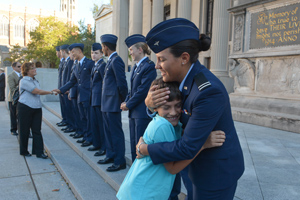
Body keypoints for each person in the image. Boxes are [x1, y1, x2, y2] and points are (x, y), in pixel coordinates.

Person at [137, 18, 245, 199]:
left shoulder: (207, 91)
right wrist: (150, 105)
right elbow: (172, 119)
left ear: (184, 58)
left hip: (214, 174)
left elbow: (187, 147)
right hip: (192, 166)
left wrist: (145, 149)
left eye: (161, 59)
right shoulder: (179, 79)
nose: (156, 65)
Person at [117, 78, 225, 200]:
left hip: (142, 190)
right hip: (143, 193)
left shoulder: (172, 124)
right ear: (155, 107)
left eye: (178, 106)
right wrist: (202, 144)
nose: (173, 112)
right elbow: (172, 168)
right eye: (166, 107)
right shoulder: (163, 126)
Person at [121, 34, 157, 162]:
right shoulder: (136, 66)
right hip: (134, 112)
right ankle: (134, 172)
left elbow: (142, 90)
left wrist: (128, 104)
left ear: (140, 49)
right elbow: (133, 89)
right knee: (133, 143)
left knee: (140, 145)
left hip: (142, 112)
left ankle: (140, 174)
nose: (130, 53)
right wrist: (126, 100)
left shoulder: (148, 66)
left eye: (131, 49)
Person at [97, 34, 128, 172]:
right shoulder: (110, 60)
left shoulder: (116, 61)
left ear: (105, 47)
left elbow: (122, 83)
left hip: (113, 103)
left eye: (102, 47)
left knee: (115, 133)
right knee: (108, 131)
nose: (102, 49)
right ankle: (110, 155)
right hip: (106, 102)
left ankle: (119, 160)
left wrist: (122, 100)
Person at [53, 43, 94, 147]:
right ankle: (85, 137)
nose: (71, 54)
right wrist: (60, 90)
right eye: (71, 52)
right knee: (83, 118)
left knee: (89, 119)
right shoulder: (76, 65)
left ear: (79, 51)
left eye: (73, 52)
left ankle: (90, 138)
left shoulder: (89, 63)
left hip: (88, 96)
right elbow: (72, 81)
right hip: (80, 95)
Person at [18, 62, 54, 158]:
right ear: (27, 71)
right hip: (25, 107)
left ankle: (39, 152)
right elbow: (36, 91)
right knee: (24, 130)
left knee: (37, 130)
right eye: (32, 68)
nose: (35, 70)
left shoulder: (35, 80)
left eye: (34, 68)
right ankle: (24, 151)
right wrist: (51, 92)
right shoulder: (24, 81)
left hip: (36, 107)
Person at [89, 43, 106, 156]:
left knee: (101, 124)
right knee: (94, 123)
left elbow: (104, 83)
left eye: (96, 53)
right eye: (92, 53)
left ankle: (103, 147)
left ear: (101, 54)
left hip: (99, 99)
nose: (93, 55)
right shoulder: (95, 65)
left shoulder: (102, 65)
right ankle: (97, 144)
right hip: (93, 98)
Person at [60, 44, 76, 133]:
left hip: (70, 90)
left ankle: (72, 125)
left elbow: (72, 79)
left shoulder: (70, 62)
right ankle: (69, 124)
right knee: (67, 108)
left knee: (72, 110)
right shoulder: (68, 62)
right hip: (66, 88)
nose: (71, 55)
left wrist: (68, 89)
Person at [7, 62, 22, 136]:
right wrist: (22, 86)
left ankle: (21, 130)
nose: (20, 68)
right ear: (14, 67)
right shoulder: (11, 76)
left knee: (21, 116)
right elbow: (12, 88)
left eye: (21, 66)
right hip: (13, 99)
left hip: (21, 99)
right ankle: (13, 129)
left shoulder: (22, 75)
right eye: (18, 66)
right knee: (13, 115)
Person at [56, 46, 68, 127]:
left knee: (68, 107)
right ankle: (65, 120)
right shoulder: (63, 62)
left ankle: (69, 123)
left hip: (66, 88)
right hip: (62, 87)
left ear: (63, 52)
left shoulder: (69, 61)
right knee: (64, 106)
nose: (58, 54)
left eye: (59, 51)